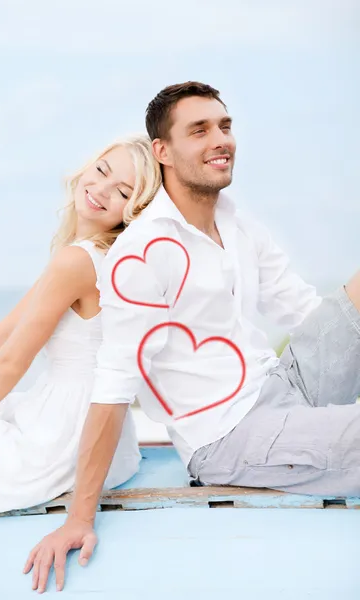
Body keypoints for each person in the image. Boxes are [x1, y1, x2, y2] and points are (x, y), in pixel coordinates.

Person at [25, 82, 360, 593]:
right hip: (227, 435)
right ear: (163, 151)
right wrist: (78, 519)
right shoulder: (141, 254)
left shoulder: (237, 222)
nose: (219, 139)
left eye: (224, 126)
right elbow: (113, 389)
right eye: (198, 130)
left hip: (281, 386)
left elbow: (306, 312)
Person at [0, 134, 162, 516]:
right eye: (101, 170)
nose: (100, 189)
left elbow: (12, 360)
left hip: (65, 435)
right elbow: (7, 327)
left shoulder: (76, 262)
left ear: (135, 210)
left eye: (121, 191)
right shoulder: (98, 255)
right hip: (106, 434)